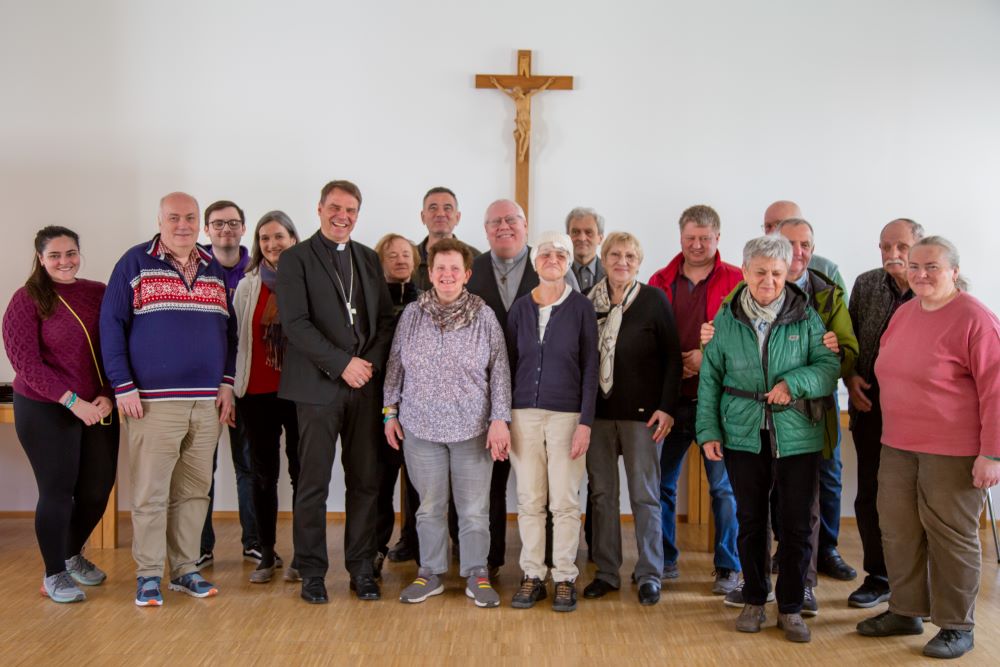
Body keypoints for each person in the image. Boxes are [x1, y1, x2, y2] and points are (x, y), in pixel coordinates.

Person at [857, 236, 1000, 660]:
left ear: (954, 272)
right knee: (898, 532)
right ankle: (905, 610)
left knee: (951, 537)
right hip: (898, 444)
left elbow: (996, 390)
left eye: (932, 267)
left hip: (953, 450)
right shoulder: (904, 313)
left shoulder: (975, 318)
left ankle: (957, 624)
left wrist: (992, 453)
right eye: (914, 265)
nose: (920, 273)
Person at [697, 235, 839, 643]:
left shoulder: (806, 316)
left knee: (795, 524)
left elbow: (828, 369)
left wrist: (794, 383)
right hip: (743, 435)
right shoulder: (726, 320)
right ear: (744, 272)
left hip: (797, 435)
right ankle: (755, 599)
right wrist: (708, 431)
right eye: (760, 272)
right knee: (750, 521)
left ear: (786, 273)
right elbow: (710, 380)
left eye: (777, 273)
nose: (769, 281)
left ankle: (792, 606)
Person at [101, 192, 237, 606]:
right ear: (159, 219)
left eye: (190, 217)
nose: (183, 224)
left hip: (207, 403)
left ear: (200, 223)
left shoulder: (214, 269)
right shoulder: (135, 262)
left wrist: (227, 383)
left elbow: (230, 335)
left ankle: (185, 570)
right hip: (153, 403)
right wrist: (122, 384)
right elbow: (111, 324)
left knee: (195, 491)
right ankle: (147, 576)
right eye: (174, 217)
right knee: (151, 492)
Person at [276, 180, 395, 604]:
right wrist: (342, 364)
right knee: (313, 484)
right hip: (317, 389)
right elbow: (296, 324)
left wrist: (367, 366)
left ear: (358, 215)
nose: (342, 216)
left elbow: (384, 321)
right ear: (319, 208)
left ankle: (362, 569)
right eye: (335, 207)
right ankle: (311, 572)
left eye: (350, 210)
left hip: (364, 388)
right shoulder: (294, 260)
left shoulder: (366, 257)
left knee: (366, 482)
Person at [384, 238, 510, 608]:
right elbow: (395, 365)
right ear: (431, 272)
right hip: (420, 429)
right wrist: (390, 412)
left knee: (473, 510)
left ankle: (476, 573)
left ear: (467, 274)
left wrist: (499, 419)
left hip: (472, 429)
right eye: (441, 268)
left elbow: (500, 371)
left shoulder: (484, 316)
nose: (447, 274)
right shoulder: (412, 315)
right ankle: (431, 572)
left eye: (455, 268)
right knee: (429, 507)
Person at [2, 226, 119, 603]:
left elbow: (114, 348)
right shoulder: (27, 299)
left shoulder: (97, 293)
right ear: (40, 258)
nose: (64, 261)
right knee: (57, 491)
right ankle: (53, 573)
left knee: (98, 489)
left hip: (96, 406)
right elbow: (26, 364)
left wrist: (106, 395)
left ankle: (71, 554)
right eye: (55, 255)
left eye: (70, 253)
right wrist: (73, 402)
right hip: (45, 408)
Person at [647, 204, 742, 593]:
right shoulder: (659, 279)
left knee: (723, 488)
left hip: (717, 403)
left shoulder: (738, 279)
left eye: (705, 238)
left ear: (717, 237)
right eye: (690, 238)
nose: (697, 245)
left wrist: (707, 358)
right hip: (670, 401)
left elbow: (748, 337)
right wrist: (675, 365)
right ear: (680, 238)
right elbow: (646, 336)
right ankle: (666, 558)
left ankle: (727, 565)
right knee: (662, 485)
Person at [582, 232, 681, 607]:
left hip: (644, 418)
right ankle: (607, 572)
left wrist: (667, 407)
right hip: (599, 416)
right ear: (603, 259)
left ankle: (649, 573)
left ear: (639, 262)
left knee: (645, 496)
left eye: (629, 256)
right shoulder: (587, 301)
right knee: (603, 495)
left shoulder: (654, 300)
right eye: (614, 255)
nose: (622, 261)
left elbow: (673, 358)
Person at [762, 200, 855, 583]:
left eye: (805, 245)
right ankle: (787, 548)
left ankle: (826, 549)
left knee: (828, 473)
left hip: (817, 403)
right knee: (778, 479)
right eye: (791, 243)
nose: (798, 252)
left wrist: (828, 361)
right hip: (774, 403)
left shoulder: (828, 290)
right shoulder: (758, 284)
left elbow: (847, 351)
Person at [507, 232, 599, 612]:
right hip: (523, 413)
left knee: (563, 500)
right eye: (545, 253)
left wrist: (585, 422)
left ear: (567, 262)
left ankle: (563, 576)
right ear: (535, 261)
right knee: (529, 499)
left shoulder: (580, 307)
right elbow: (507, 366)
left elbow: (591, 367)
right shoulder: (519, 309)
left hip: (567, 416)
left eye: (560, 254)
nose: (552, 259)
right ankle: (532, 574)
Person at [844, 218, 922, 608]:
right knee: (871, 494)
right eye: (885, 247)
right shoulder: (866, 283)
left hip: (921, 414)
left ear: (920, 247)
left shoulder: (937, 286)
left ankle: (917, 583)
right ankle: (878, 576)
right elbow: (850, 341)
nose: (892, 255)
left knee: (915, 497)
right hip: (871, 405)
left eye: (902, 248)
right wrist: (851, 377)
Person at [233, 211, 301, 584]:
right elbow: (236, 340)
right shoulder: (247, 285)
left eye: (278, 236)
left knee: (301, 474)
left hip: (299, 393)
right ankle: (266, 554)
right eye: (264, 239)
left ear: (293, 238)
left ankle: (303, 555)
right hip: (256, 392)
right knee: (262, 475)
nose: (272, 244)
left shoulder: (307, 280)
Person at [198, 199, 261, 569]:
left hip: (246, 386)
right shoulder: (193, 268)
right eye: (218, 224)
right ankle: (201, 546)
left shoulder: (258, 269)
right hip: (202, 387)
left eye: (233, 223)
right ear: (207, 229)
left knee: (248, 467)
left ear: (243, 228)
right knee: (201, 470)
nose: (226, 229)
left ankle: (253, 543)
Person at [373, 233, 422, 567]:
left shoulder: (427, 301)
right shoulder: (371, 302)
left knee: (420, 482)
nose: (401, 260)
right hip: (379, 403)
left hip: (419, 404)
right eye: (393, 255)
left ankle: (416, 543)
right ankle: (376, 548)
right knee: (380, 480)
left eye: (406, 254)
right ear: (381, 262)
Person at [413, 187, 481, 291]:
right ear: (423, 217)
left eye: (447, 208)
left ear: (457, 217)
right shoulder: (409, 259)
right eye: (433, 208)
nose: (440, 214)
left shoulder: (476, 258)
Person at [566, 207, 606, 292]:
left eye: (589, 232)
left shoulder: (611, 273)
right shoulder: (557, 272)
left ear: (600, 238)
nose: (582, 238)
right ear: (567, 237)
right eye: (575, 232)